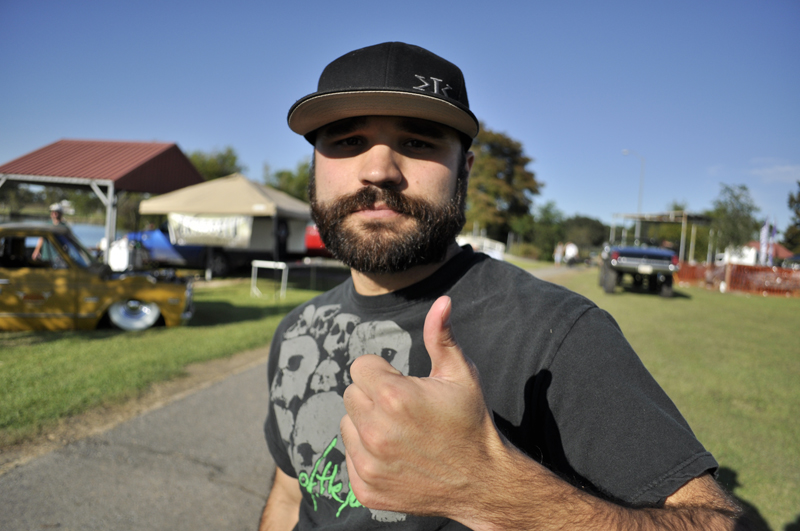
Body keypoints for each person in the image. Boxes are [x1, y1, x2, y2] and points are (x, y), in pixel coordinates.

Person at [260, 42, 745, 530]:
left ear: (464, 172)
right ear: (315, 168)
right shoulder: (297, 330)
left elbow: (715, 522)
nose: (379, 170)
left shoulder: (557, 336)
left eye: (418, 142)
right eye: (348, 141)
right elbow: (288, 494)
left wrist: (484, 489)